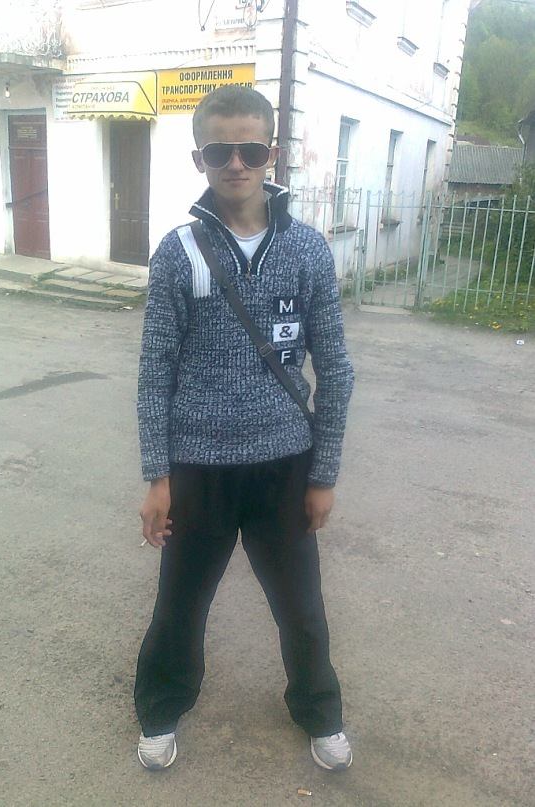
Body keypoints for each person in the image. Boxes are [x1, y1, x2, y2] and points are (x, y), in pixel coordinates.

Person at [134, 85, 354, 772]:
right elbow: (155, 369)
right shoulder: (178, 252)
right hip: (197, 467)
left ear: (271, 154)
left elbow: (336, 368)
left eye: (250, 149)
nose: (236, 162)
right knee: (179, 607)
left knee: (302, 609)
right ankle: (160, 709)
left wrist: (323, 475)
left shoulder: (308, 249)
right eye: (220, 150)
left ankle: (319, 712)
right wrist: (157, 474)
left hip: (284, 466)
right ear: (198, 158)